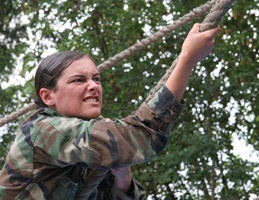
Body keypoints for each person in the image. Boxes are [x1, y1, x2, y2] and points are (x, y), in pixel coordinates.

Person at [0, 23, 220, 199]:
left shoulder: (87, 147)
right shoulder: (45, 131)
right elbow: (141, 137)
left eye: (96, 79)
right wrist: (187, 61)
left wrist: (123, 178)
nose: (94, 86)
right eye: (79, 80)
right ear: (48, 96)